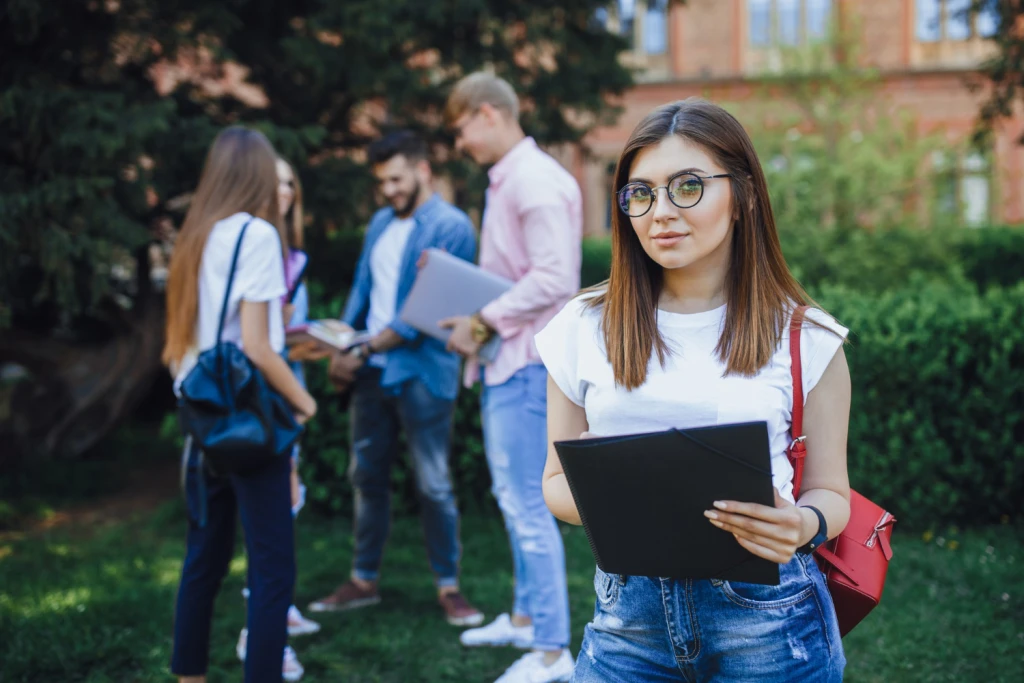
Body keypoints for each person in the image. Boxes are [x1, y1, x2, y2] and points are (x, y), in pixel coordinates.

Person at [534, 98, 850, 682]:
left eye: (687, 186)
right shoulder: (581, 326)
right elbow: (555, 483)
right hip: (627, 622)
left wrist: (803, 524)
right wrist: (635, 505)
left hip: (769, 621)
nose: (660, 212)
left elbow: (833, 494)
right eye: (641, 193)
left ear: (744, 196)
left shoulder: (809, 337)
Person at [306, 130, 484, 627]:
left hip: (423, 372)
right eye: (382, 181)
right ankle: (363, 580)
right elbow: (363, 287)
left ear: (423, 169)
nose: (388, 190)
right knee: (366, 477)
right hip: (369, 371)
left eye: (396, 178)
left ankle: (449, 588)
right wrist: (341, 345)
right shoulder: (380, 222)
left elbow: (428, 309)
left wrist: (368, 345)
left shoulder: (452, 226)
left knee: (433, 484)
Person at [164, 127, 317, 683]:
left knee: (203, 557)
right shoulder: (255, 236)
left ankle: (190, 676)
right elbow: (256, 345)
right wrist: (305, 404)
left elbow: (183, 342)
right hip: (250, 419)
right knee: (273, 566)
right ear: (254, 175)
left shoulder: (195, 235)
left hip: (202, 418)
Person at [442, 72, 579, 683]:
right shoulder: (513, 180)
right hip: (509, 360)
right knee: (515, 500)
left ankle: (551, 650)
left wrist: (480, 320)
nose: (459, 142)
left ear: (489, 113)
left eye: (461, 127)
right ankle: (526, 621)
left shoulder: (533, 181)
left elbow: (554, 278)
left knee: (528, 505)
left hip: (526, 364)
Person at [234, 157, 319, 682]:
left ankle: (275, 614)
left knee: (286, 507)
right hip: (267, 399)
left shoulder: (291, 254)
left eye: (291, 183)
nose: (284, 190)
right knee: (272, 516)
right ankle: (261, 631)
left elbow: (279, 333)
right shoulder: (254, 244)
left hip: (287, 385)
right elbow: (254, 340)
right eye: (276, 181)